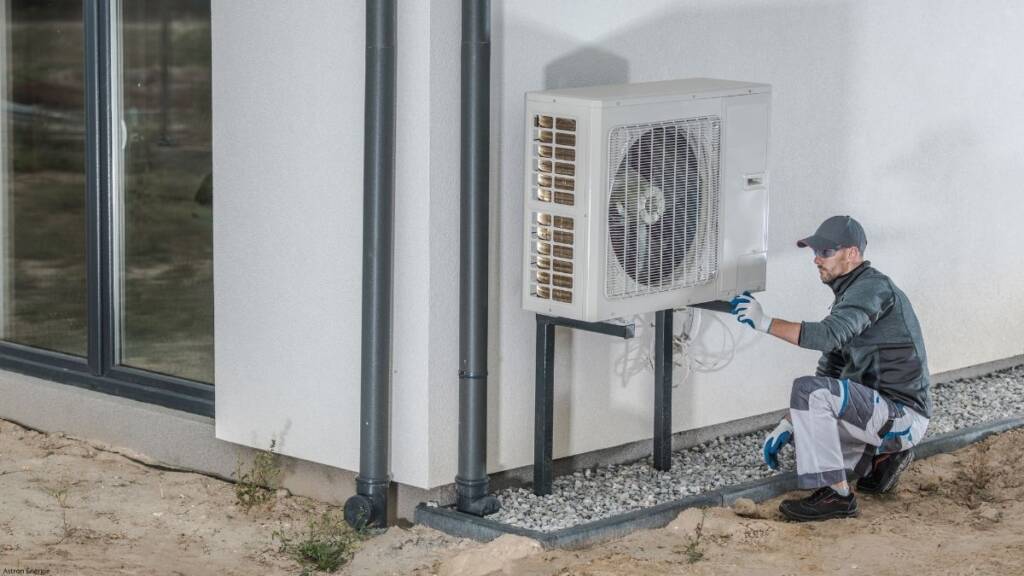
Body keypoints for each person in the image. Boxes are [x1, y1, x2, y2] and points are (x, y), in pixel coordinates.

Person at [729, 215, 931, 522]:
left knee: (808, 394)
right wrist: (790, 422)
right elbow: (830, 368)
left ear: (852, 253)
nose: (816, 259)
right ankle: (882, 461)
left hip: (902, 415)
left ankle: (837, 497)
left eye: (825, 252)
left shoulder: (873, 288)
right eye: (815, 252)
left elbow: (828, 335)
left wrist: (764, 322)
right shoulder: (850, 296)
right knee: (807, 425)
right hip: (881, 412)